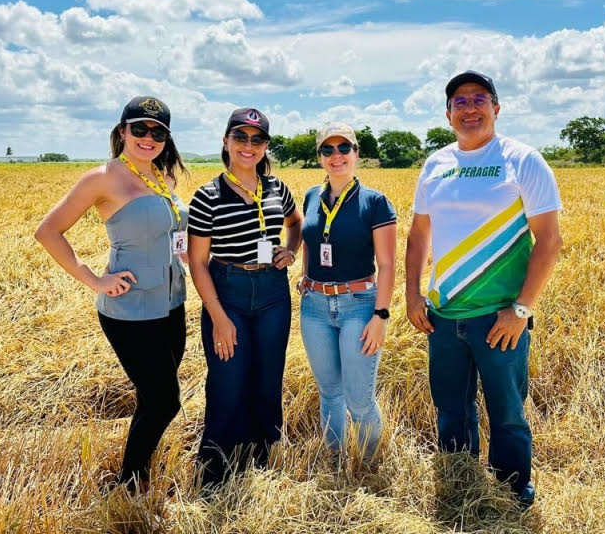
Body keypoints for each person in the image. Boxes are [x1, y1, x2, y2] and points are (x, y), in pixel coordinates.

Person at [405, 71, 563, 508]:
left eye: (479, 99)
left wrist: (522, 309)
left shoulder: (523, 160)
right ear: (448, 113)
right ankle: (460, 481)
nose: (469, 108)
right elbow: (418, 235)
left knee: (507, 411)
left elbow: (549, 240)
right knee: (451, 407)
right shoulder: (435, 164)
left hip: (500, 318)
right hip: (444, 315)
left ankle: (513, 491)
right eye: (459, 101)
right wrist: (414, 295)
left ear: (496, 108)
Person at [35, 96, 189, 492]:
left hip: (172, 303)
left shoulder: (163, 177)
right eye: (139, 128)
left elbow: (175, 236)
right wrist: (93, 279)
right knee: (164, 401)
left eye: (157, 132)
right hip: (130, 311)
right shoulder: (102, 178)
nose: (147, 138)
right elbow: (48, 232)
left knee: (152, 396)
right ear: (122, 131)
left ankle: (136, 472)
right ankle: (129, 483)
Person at [187, 107, 303, 489]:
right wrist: (219, 317)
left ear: (265, 146)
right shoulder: (207, 196)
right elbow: (199, 263)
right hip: (228, 291)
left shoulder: (276, 188)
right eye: (240, 138)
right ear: (226, 142)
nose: (248, 146)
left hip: (273, 292)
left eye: (257, 140)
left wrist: (292, 250)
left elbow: (296, 222)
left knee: (268, 377)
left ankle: (262, 457)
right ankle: (216, 469)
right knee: (228, 380)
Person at [298, 123, 396, 463]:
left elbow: (386, 265)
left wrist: (381, 316)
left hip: (359, 306)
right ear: (319, 157)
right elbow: (311, 240)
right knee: (329, 393)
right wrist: (303, 275)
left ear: (357, 154)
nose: (336, 156)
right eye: (327, 150)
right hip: (314, 307)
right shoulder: (312, 197)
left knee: (358, 399)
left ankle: (368, 465)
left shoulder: (375, 203)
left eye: (344, 149)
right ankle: (335, 459)